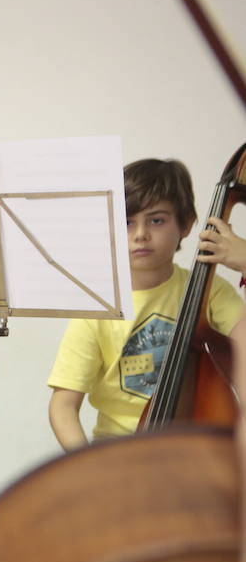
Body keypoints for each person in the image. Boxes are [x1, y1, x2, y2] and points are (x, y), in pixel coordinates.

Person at [48, 158, 246, 450]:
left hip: (198, 452)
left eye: (156, 220)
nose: (140, 234)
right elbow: (63, 407)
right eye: (127, 222)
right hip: (119, 454)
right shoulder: (100, 307)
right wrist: (91, 466)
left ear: (187, 224)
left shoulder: (211, 291)